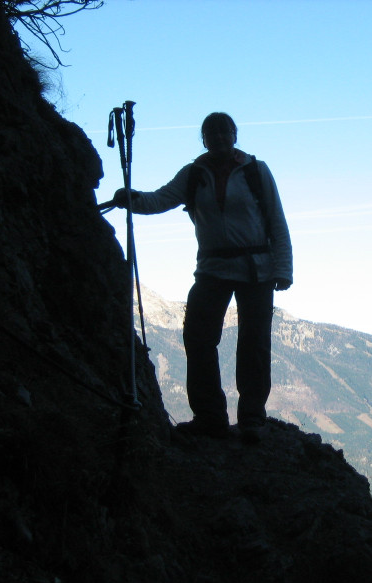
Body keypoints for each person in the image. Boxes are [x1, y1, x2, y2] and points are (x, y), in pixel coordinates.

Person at [111, 112, 292, 443]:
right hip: (216, 268)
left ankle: (250, 417)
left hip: (256, 269)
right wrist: (133, 200)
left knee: (252, 343)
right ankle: (211, 416)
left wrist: (283, 269)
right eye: (213, 134)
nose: (220, 138)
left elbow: (276, 220)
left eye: (225, 132)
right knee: (199, 337)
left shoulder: (255, 171)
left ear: (234, 135)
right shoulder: (194, 174)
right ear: (204, 139)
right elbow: (162, 199)